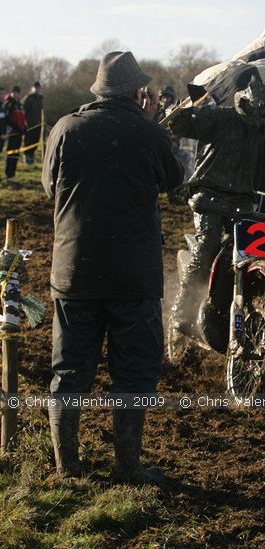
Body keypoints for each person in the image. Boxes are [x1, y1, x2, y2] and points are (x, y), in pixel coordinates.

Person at [42, 51, 184, 482]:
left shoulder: (65, 128)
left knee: (69, 371)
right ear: (138, 92)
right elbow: (176, 179)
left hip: (74, 270)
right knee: (134, 372)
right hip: (133, 276)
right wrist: (155, 122)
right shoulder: (148, 132)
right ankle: (128, 466)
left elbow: (50, 188)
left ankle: (67, 467)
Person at [167, 77, 265, 332]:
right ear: (245, 100)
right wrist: (178, 112)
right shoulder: (220, 117)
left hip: (243, 202)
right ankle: (182, 311)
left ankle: (239, 303)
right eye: (259, 108)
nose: (262, 113)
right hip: (208, 196)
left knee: (248, 252)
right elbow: (187, 124)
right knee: (207, 245)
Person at [3, 86, 25, 180]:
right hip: (12, 133)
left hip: (19, 133)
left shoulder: (19, 104)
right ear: (11, 92)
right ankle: (8, 174)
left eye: (17, 92)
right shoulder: (8, 104)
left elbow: (22, 117)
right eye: (14, 92)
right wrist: (16, 128)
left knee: (16, 154)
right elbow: (7, 119)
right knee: (11, 153)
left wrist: (24, 128)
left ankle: (13, 174)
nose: (16, 94)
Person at [23, 81, 44, 164]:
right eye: (35, 87)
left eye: (38, 88)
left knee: (36, 141)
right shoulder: (28, 98)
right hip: (29, 124)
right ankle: (27, 157)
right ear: (32, 88)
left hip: (38, 124)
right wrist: (25, 122)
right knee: (28, 141)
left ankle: (32, 156)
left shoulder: (41, 98)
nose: (37, 89)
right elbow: (24, 111)